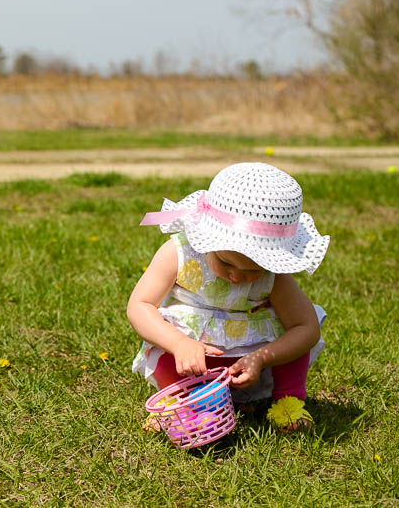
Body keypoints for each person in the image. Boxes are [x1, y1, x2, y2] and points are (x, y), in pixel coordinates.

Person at [127, 162, 329, 432]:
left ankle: (288, 401)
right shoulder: (179, 253)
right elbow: (139, 306)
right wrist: (178, 344)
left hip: (252, 363)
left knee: (291, 338)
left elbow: (306, 328)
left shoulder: (275, 275)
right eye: (226, 263)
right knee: (161, 340)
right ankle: (179, 401)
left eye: (254, 271)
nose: (237, 278)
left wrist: (262, 358)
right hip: (190, 360)